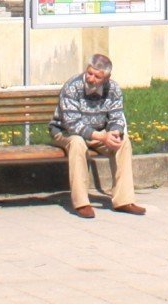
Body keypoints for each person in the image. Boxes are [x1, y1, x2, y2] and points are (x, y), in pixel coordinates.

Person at [50, 54, 147, 217]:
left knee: (123, 142)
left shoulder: (114, 89)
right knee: (77, 143)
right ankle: (81, 203)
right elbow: (72, 124)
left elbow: (117, 116)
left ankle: (124, 200)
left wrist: (115, 132)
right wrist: (102, 137)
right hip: (64, 132)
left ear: (107, 77)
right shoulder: (72, 86)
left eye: (97, 76)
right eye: (89, 73)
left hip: (98, 133)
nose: (91, 78)